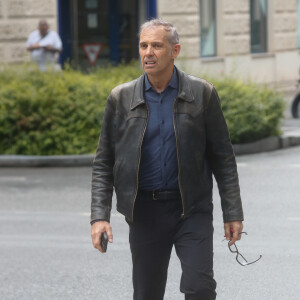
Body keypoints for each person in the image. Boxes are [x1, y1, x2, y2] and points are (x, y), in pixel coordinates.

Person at [91, 19, 244, 300]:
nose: (148, 52)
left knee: (200, 287)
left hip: (192, 209)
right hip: (144, 212)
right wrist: (99, 216)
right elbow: (104, 162)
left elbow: (223, 158)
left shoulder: (202, 94)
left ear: (175, 50)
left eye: (156, 46)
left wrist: (232, 212)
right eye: (143, 45)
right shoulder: (121, 98)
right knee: (147, 293)